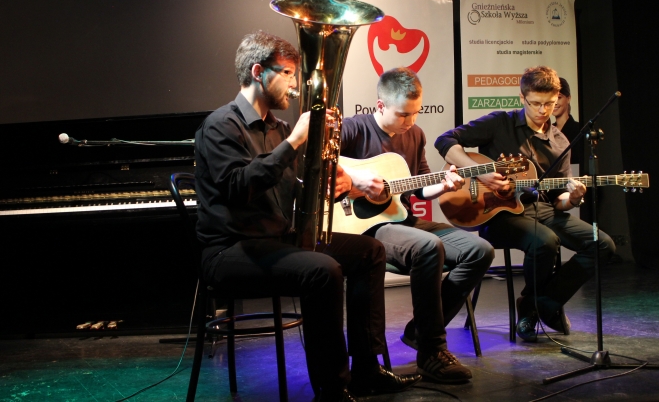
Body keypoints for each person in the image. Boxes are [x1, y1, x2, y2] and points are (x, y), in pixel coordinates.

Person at [194, 31, 420, 402]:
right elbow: (238, 187)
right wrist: (295, 142)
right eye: (287, 73)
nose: (295, 85)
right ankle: (332, 389)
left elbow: (300, 188)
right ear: (258, 72)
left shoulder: (279, 129)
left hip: (277, 241)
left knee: (370, 252)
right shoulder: (220, 125)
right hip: (230, 249)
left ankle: (367, 369)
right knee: (322, 270)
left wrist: (336, 183)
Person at [434, 65, 616, 342]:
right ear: (522, 97)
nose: (543, 110)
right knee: (545, 241)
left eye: (549, 104)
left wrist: (573, 198)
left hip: (541, 210)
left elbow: (558, 201)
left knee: (602, 244)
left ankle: (538, 304)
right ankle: (538, 308)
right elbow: (445, 140)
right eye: (535, 103)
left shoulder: (560, 142)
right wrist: (480, 172)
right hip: (496, 214)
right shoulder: (500, 123)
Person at [339, 67, 494, 383]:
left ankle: (420, 332)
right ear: (381, 106)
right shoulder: (353, 129)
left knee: (480, 250)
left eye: (416, 113)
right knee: (428, 246)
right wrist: (357, 181)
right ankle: (432, 351)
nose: (410, 121)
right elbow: (318, 162)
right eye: (403, 114)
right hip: (362, 227)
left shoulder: (416, 134)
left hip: (400, 218)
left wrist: (444, 185)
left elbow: (419, 186)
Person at [552, 77, 583, 165]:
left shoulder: (579, 130)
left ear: (568, 98)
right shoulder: (546, 131)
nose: (555, 103)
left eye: (559, 97)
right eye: (551, 99)